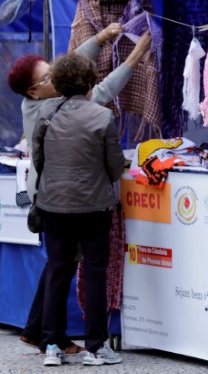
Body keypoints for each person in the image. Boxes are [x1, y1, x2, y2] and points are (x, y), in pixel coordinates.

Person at [7, 25, 151, 354]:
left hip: (51, 196)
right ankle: (74, 342)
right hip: (69, 200)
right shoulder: (50, 108)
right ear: (33, 91)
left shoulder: (45, 102)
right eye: (48, 77)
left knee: (59, 265)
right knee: (67, 266)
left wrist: (100, 40)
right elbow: (98, 94)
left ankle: (41, 334)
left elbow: (71, 65)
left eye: (55, 73)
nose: (55, 77)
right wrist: (134, 57)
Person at [32, 53, 126, 367]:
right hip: (94, 206)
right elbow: (115, 167)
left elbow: (38, 158)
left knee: (58, 270)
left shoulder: (45, 113)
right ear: (90, 82)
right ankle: (96, 347)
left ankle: (51, 345)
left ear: (58, 82)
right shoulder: (102, 116)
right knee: (95, 273)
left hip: (53, 203)